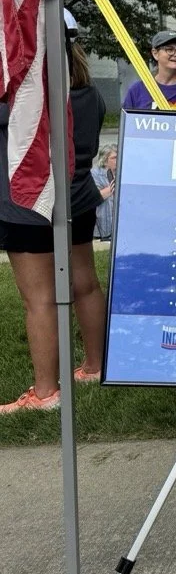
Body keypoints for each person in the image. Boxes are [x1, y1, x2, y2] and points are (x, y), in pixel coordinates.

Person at [0, 43, 110, 413]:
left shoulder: (21, 99)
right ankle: (95, 366)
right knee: (86, 284)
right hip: (78, 199)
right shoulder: (88, 91)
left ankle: (46, 393)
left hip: (27, 206)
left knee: (39, 299)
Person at [92, 145, 118, 241]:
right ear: (105, 160)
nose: (118, 159)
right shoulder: (95, 174)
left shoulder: (121, 172)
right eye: (114, 157)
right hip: (101, 225)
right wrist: (114, 187)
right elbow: (95, 197)